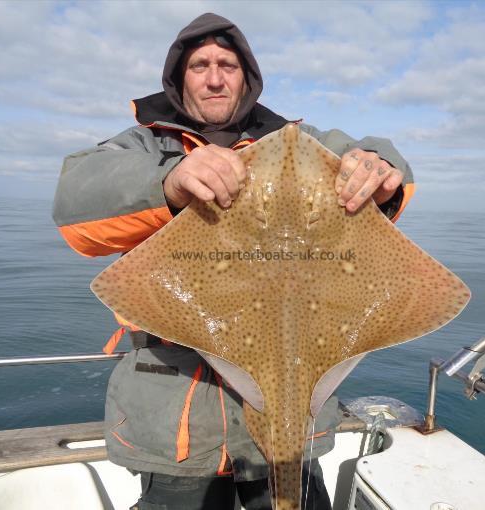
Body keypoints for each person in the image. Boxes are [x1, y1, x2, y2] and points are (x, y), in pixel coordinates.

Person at [53, 12, 414, 510]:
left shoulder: (296, 144)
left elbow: (379, 161)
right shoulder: (142, 145)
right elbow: (75, 204)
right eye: (200, 65)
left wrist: (381, 165)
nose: (215, 76)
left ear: (247, 77)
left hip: (297, 397)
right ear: (180, 78)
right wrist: (170, 181)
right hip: (175, 413)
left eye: (227, 64)